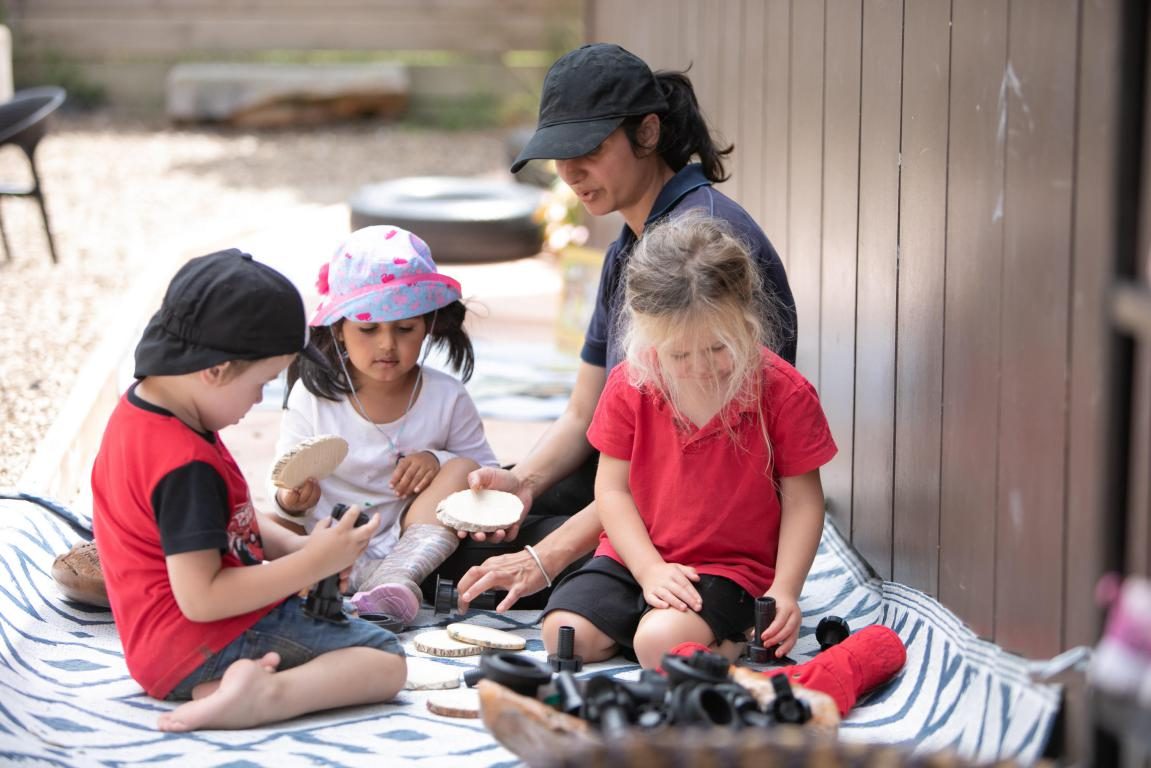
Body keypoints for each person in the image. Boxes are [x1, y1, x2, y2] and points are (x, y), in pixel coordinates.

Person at [452, 42, 798, 610]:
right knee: (472, 526)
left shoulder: (703, 244)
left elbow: (682, 457)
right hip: (634, 479)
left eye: (588, 148)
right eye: (558, 156)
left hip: (704, 505)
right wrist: (525, 484)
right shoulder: (629, 243)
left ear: (648, 132)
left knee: (482, 569)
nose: (570, 173)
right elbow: (583, 412)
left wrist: (549, 555)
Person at [91, 249, 406, 732]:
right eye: (261, 383)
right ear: (215, 370)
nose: (260, 400)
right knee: (383, 658)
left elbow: (218, 520)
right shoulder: (184, 465)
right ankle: (267, 694)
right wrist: (311, 563)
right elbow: (204, 599)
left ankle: (222, 690)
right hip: (203, 637)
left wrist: (299, 545)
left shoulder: (150, 410)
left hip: (165, 648)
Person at [540, 211, 835, 668]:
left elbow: (803, 501)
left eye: (718, 347)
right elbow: (612, 490)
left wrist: (784, 591)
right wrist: (648, 569)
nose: (701, 366)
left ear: (746, 316)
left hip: (728, 567)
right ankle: (654, 624)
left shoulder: (783, 393)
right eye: (679, 353)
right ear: (644, 331)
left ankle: (725, 636)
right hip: (636, 552)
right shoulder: (629, 383)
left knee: (659, 645)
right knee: (564, 634)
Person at [272, 225, 498, 626]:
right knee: (255, 523)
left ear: (429, 324)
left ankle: (394, 579)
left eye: (404, 329)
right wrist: (293, 499)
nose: (387, 345)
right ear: (339, 329)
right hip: (323, 542)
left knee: (463, 471)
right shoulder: (313, 396)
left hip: (410, 544)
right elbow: (282, 486)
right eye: (368, 329)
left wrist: (438, 459)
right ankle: (331, 576)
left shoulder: (447, 397)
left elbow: (487, 479)